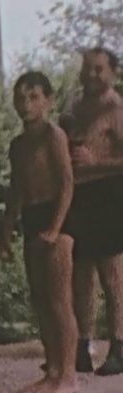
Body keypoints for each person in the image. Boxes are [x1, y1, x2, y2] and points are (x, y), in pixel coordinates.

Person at [0, 71, 78, 393]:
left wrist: (56, 227)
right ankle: (53, 369)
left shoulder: (53, 135)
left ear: (48, 100)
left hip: (56, 217)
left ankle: (69, 374)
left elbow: (67, 184)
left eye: (33, 97)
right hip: (32, 218)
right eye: (20, 98)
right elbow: (16, 189)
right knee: (40, 299)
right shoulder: (18, 145)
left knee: (59, 300)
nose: (26, 104)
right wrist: (6, 229)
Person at [60, 47, 123, 375]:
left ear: (112, 71)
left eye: (99, 69)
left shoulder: (116, 109)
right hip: (78, 193)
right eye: (88, 68)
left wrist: (98, 161)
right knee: (81, 274)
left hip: (107, 192)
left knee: (111, 274)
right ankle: (82, 346)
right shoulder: (74, 107)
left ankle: (119, 346)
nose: (91, 75)